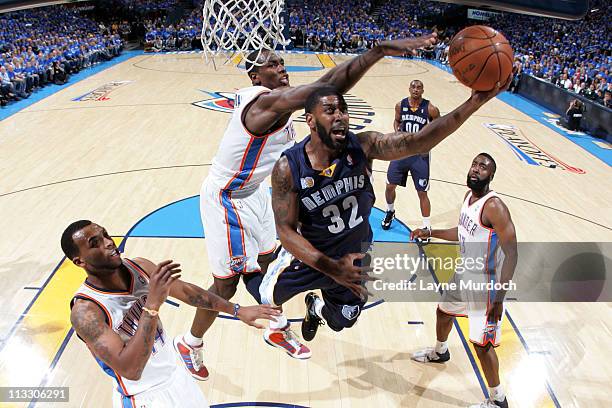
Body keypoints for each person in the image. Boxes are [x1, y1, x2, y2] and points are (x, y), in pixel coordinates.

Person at [175, 34, 438, 377]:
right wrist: (377, 52)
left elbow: (318, 100)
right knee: (227, 282)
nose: (281, 67)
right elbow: (324, 87)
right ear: (255, 76)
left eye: (281, 62)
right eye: (271, 64)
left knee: (272, 265)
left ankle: (276, 324)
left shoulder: (281, 106)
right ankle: (191, 342)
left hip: (256, 193)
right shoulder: (262, 105)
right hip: (227, 198)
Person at [246, 79, 511, 358]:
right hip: (313, 256)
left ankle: (317, 308)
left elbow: (417, 141)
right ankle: (239, 261)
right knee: (264, 297)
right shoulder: (289, 167)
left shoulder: (364, 145)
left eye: (343, 110)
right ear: (310, 120)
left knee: (342, 320)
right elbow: (286, 232)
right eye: (330, 110)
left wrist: (474, 102)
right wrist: (331, 268)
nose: (340, 116)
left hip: (355, 256)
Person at [64, 220, 279, 408]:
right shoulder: (85, 312)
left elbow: (187, 292)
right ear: (80, 262)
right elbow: (131, 369)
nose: (108, 242)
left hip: (176, 376)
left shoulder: (139, 266)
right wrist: (153, 303)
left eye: (105, 235)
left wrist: (237, 310)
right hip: (144, 397)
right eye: (95, 243)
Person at [410, 153, 518, 408]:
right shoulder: (469, 198)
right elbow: (461, 233)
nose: (476, 170)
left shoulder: (495, 207)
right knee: (443, 312)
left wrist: (499, 299)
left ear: (491, 176)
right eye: (474, 165)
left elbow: (512, 253)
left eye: (483, 168)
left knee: (482, 345)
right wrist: (430, 232)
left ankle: (498, 400)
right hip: (464, 273)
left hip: (485, 285)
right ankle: (440, 351)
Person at [381, 79, 440, 232]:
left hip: (420, 155)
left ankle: (426, 226)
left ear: (423, 90)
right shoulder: (400, 105)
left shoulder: (431, 108)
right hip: (401, 152)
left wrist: (429, 141)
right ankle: (390, 211)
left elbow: (439, 127)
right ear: (409, 88)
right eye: (413, 87)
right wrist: (397, 133)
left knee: (422, 192)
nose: (415, 89)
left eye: (419, 87)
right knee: (389, 186)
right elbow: (396, 120)